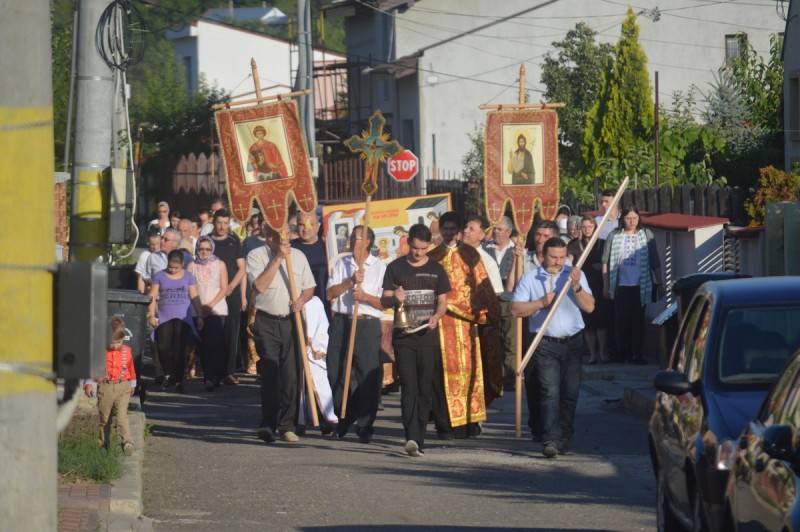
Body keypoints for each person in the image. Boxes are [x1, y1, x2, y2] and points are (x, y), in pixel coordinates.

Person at [511, 237, 595, 458]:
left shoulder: (575, 275)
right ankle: (551, 439)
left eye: (562, 257)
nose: (558, 262)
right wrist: (540, 303)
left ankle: (565, 437)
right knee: (549, 393)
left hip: (574, 342)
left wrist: (576, 286)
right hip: (545, 343)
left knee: (569, 394)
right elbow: (516, 309)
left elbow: (590, 307)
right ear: (543, 256)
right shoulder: (530, 278)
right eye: (553, 257)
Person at [427, 212, 500, 439]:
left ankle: (469, 423)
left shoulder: (471, 255)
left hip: (467, 327)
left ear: (458, 230)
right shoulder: (432, 256)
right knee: (441, 375)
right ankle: (445, 426)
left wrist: (491, 314)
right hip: (439, 326)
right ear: (440, 230)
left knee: (469, 373)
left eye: (452, 228)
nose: (448, 232)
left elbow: (483, 289)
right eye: (445, 228)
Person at [381, 223, 450, 457]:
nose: (418, 253)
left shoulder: (437, 270)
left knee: (424, 388)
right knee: (409, 387)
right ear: (408, 242)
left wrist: (437, 316)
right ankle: (410, 436)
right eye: (415, 248)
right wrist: (394, 298)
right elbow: (384, 300)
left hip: (428, 337)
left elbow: (443, 301)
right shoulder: (395, 268)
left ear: (429, 245)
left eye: (423, 249)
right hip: (404, 338)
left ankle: (420, 436)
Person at [248, 225, 316, 444]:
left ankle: (287, 425)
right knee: (270, 371)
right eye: (282, 235)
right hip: (266, 320)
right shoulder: (256, 255)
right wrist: (277, 258)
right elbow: (258, 286)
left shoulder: (299, 256)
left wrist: (302, 300)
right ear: (270, 237)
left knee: (291, 375)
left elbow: (309, 288)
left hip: (291, 320)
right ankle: (268, 423)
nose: (288, 238)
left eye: (288, 233)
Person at [326, 226, 386, 443]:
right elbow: (330, 294)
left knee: (367, 376)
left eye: (357, 238)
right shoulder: (341, 264)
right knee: (335, 372)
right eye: (351, 237)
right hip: (342, 322)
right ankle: (346, 412)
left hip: (366, 324)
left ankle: (364, 424)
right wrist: (350, 281)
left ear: (368, 241)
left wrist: (366, 296)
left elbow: (384, 304)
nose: (352, 241)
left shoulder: (380, 267)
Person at [602, 205, 665, 365]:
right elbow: (605, 261)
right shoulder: (615, 235)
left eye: (634, 218)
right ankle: (622, 352)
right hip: (620, 284)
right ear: (622, 219)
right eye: (628, 218)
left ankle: (637, 353)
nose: (632, 222)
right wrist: (605, 284)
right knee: (622, 319)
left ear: (639, 219)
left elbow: (655, 260)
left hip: (641, 285)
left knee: (638, 320)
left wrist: (659, 282)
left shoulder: (646, 235)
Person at [461, 214, 504, 406]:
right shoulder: (453, 256)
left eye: (471, 229)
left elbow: (495, 296)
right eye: (466, 227)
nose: (465, 231)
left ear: (482, 235)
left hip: (478, 322)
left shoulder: (487, 261)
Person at [82, 317, 138, 456]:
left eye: (118, 342)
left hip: (123, 387)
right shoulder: (100, 352)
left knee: (121, 416)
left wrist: (132, 383)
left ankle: (127, 442)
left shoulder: (127, 351)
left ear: (123, 339)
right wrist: (89, 383)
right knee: (105, 418)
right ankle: (103, 444)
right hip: (105, 387)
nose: (114, 345)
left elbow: (131, 368)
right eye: (112, 343)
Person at [148, 250, 202, 393]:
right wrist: (152, 315)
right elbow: (152, 296)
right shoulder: (160, 275)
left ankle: (178, 379)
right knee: (163, 347)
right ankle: (168, 373)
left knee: (179, 349)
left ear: (182, 264)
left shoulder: (188, 277)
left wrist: (200, 315)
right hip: (165, 315)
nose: (172, 270)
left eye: (176, 267)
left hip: (182, 317)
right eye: (170, 266)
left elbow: (194, 296)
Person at [567, 216, 611, 364]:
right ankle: (592, 354)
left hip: (599, 285)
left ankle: (603, 352)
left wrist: (602, 267)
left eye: (590, 227)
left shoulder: (602, 244)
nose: (587, 230)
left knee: (602, 321)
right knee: (589, 323)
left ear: (595, 227)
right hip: (584, 288)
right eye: (584, 227)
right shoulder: (574, 245)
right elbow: (569, 262)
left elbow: (609, 262)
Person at [210, 209, 247, 384]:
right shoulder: (207, 242)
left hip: (231, 293)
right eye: (219, 223)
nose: (223, 227)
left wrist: (232, 286)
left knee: (231, 333)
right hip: (213, 292)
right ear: (214, 222)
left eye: (226, 223)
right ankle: (214, 371)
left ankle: (229, 371)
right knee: (214, 331)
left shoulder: (234, 242)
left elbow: (242, 268)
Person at [187, 236, 229, 391]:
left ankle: (211, 377)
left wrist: (210, 305)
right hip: (197, 310)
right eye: (201, 249)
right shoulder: (192, 266)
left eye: (208, 249)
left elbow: (224, 288)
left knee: (213, 344)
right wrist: (200, 310)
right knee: (203, 346)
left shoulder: (220, 264)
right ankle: (209, 375)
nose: (204, 252)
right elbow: (190, 289)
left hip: (217, 309)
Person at [483, 216, 519, 386]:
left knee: (511, 340)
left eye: (499, 229)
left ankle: (510, 376)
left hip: (509, 300)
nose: (495, 232)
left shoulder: (516, 250)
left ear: (508, 232)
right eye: (494, 229)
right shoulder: (485, 249)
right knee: (492, 339)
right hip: (490, 300)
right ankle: (494, 377)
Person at [297, 296, 337, 434]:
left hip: (313, 351)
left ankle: (325, 418)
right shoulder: (288, 299)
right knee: (296, 385)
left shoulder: (315, 302)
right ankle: (298, 421)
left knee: (319, 383)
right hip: (295, 349)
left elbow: (322, 326)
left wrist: (319, 347)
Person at [291, 210, 330, 316]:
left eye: (311, 225)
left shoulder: (327, 248)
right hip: (295, 307)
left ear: (317, 227)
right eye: (301, 225)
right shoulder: (288, 248)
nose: (306, 229)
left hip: (324, 307)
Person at [135, 230, 161, 295]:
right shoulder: (144, 255)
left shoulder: (165, 255)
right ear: (148, 243)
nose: (155, 247)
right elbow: (141, 277)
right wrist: (141, 294)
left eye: (158, 244)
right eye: (152, 244)